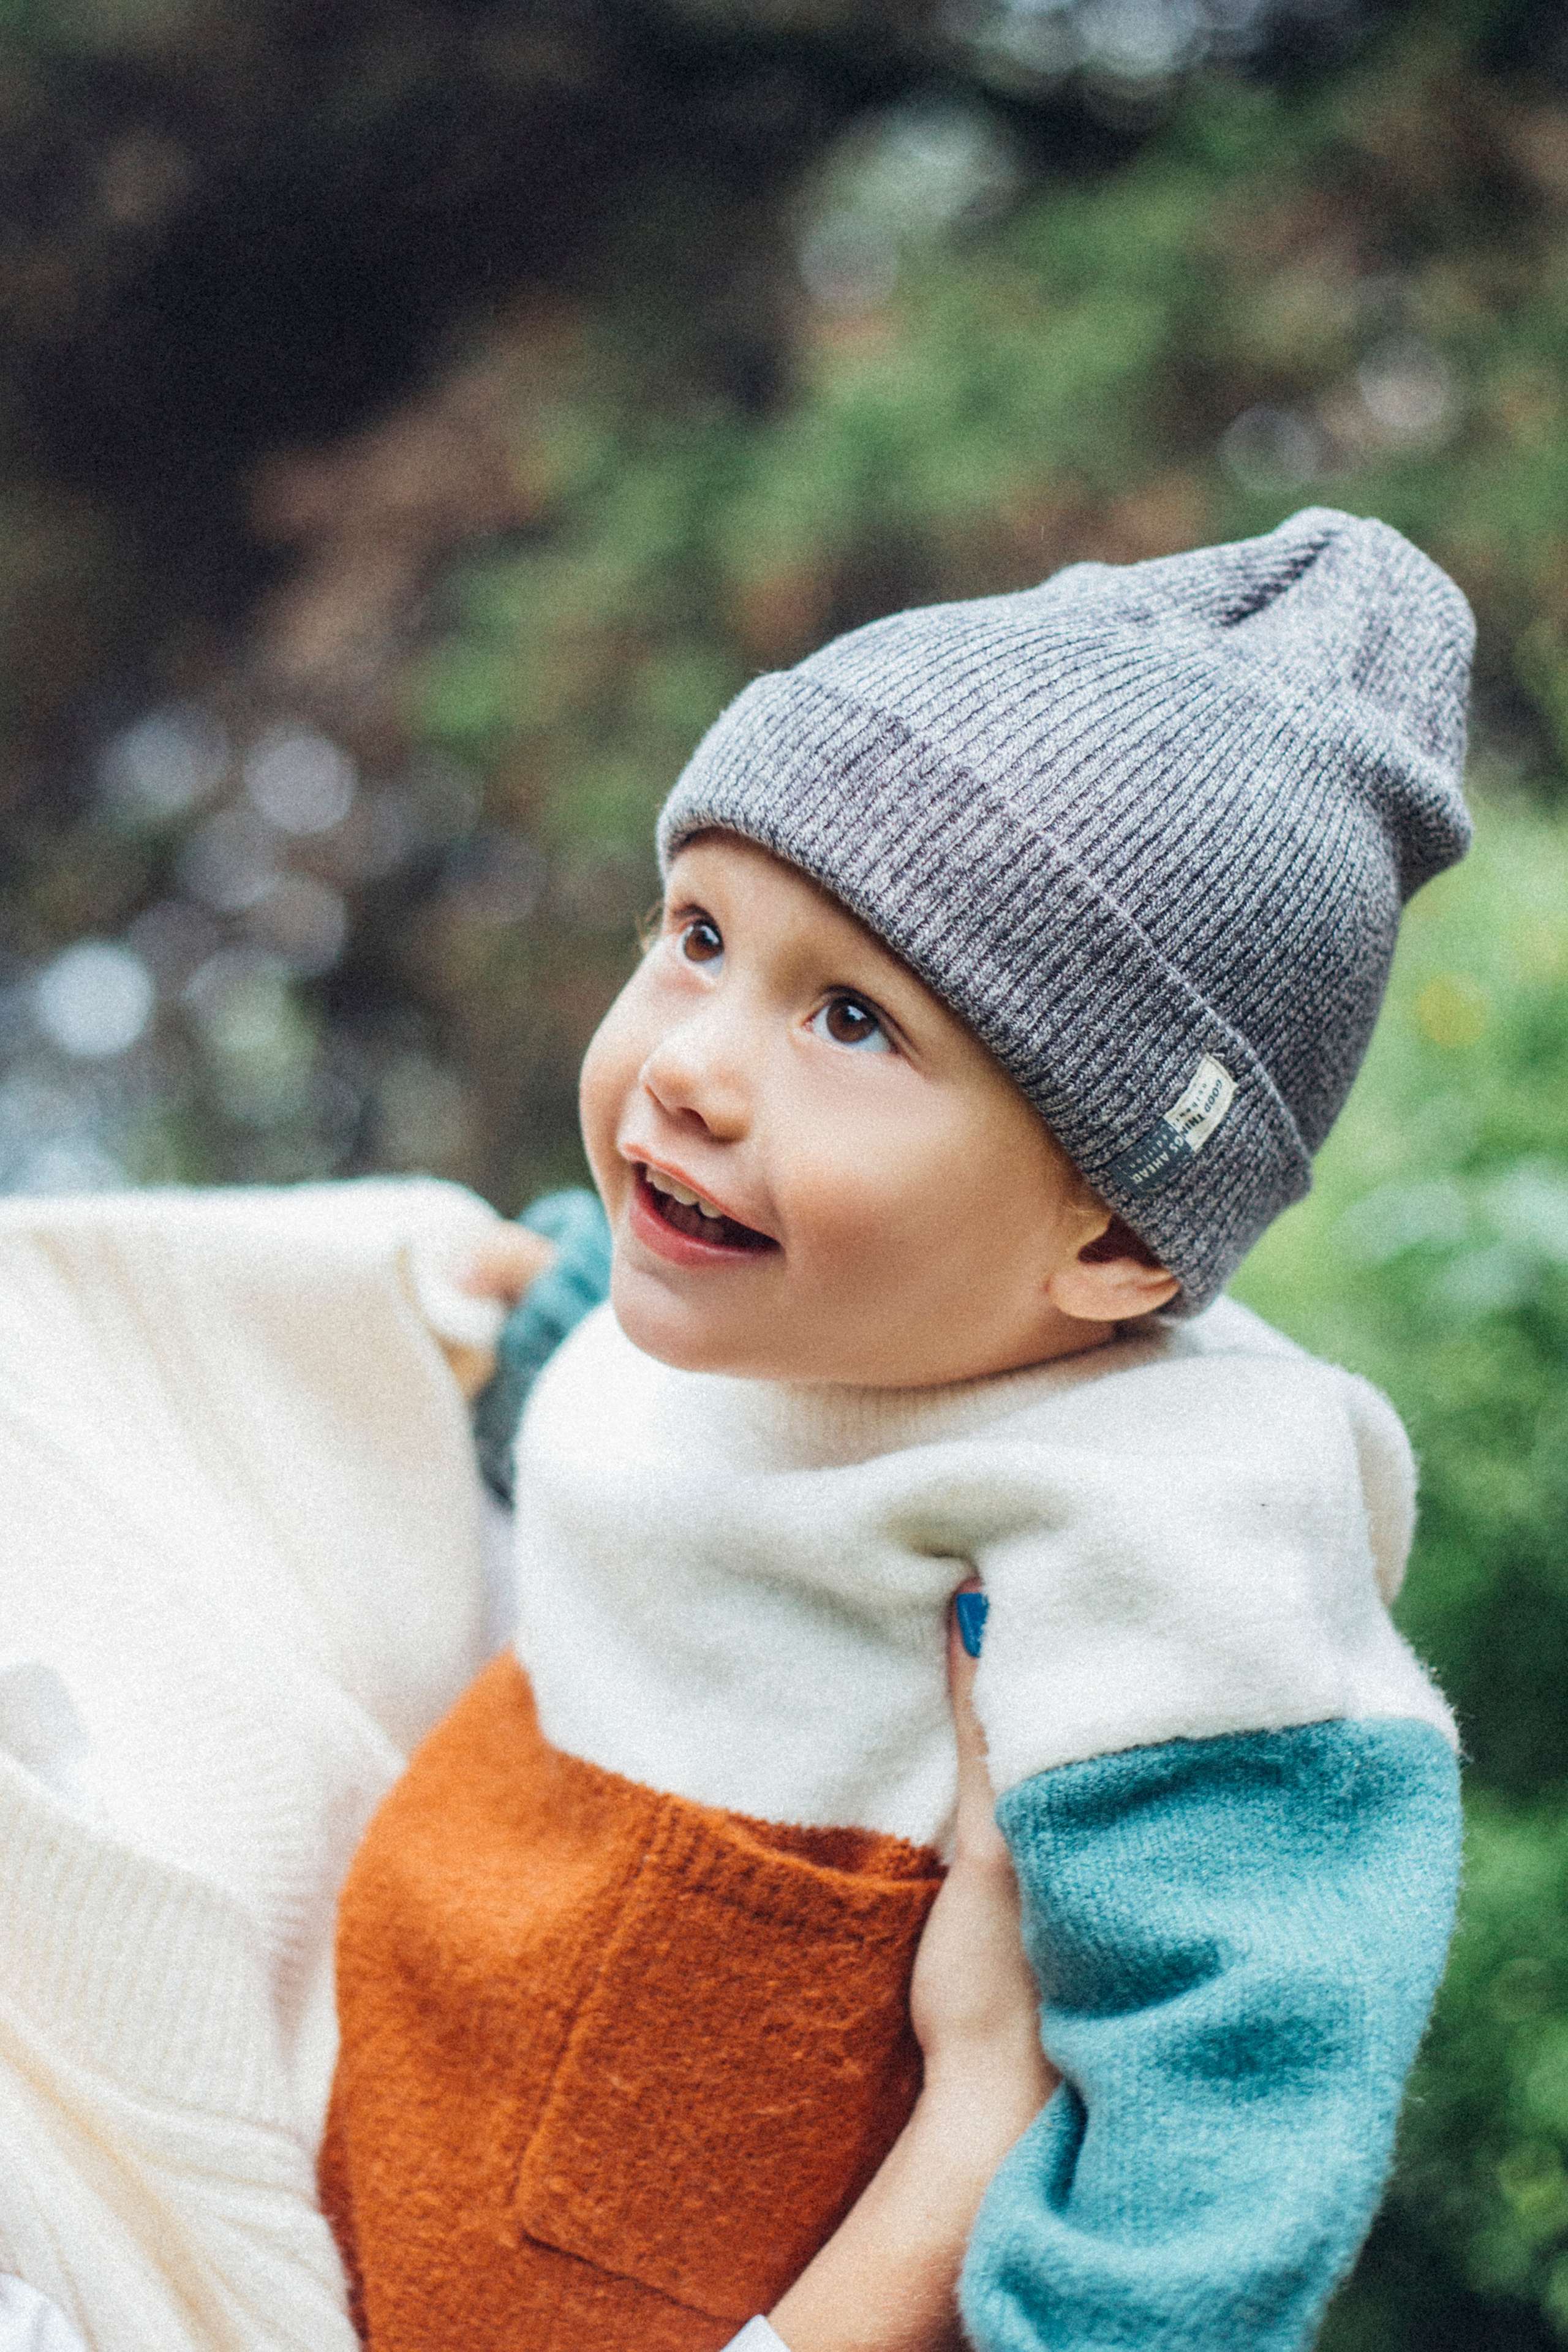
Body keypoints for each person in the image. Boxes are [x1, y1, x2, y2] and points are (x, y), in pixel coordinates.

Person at [320, 507, 1474, 2351]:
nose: (691, 1061)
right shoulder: (749, 1304)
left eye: (853, 1020)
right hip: (333, 2221)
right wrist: (512, 1310)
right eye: (698, 932)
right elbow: (602, 1400)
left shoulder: (1162, 1531)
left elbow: (1238, 2090)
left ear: (1109, 1232)